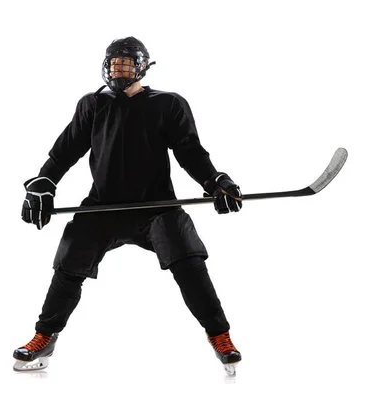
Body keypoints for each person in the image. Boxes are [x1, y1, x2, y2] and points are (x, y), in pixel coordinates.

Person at [13, 37, 243, 376]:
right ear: (107, 66)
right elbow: (64, 151)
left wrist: (215, 182)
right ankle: (44, 336)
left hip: (157, 207)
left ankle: (220, 336)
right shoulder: (92, 104)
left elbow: (190, 152)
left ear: (143, 66)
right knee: (69, 264)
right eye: (115, 64)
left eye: (127, 64)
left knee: (189, 260)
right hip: (102, 208)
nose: (120, 70)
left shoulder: (168, 104)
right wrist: (44, 183)